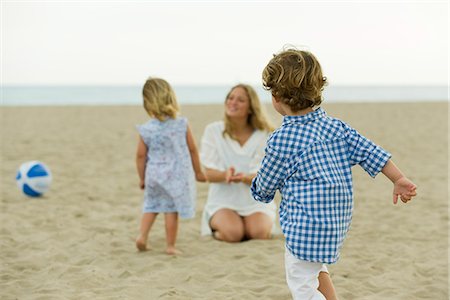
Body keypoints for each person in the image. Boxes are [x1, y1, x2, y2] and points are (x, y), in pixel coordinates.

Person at [251, 48, 418, 300]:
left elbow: (265, 186)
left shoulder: (282, 139)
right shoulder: (336, 127)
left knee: (302, 285)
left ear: (276, 96)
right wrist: (398, 179)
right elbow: (371, 152)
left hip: (305, 227)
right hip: (334, 224)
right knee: (316, 269)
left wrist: (258, 190)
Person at [135, 77, 206, 255]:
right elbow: (193, 149)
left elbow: (140, 155)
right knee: (170, 210)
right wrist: (198, 172)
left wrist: (142, 177)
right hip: (175, 176)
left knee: (151, 206)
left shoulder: (147, 128)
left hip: (154, 174)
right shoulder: (181, 124)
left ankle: (142, 236)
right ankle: (170, 245)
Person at [200, 84, 277, 242]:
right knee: (233, 234)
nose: (233, 102)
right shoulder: (213, 131)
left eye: (240, 100)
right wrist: (225, 175)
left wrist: (244, 178)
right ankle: (222, 228)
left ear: (251, 108)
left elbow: (265, 178)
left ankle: (247, 226)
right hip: (223, 201)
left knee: (259, 233)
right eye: (230, 98)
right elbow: (209, 174)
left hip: (255, 202)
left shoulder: (266, 134)